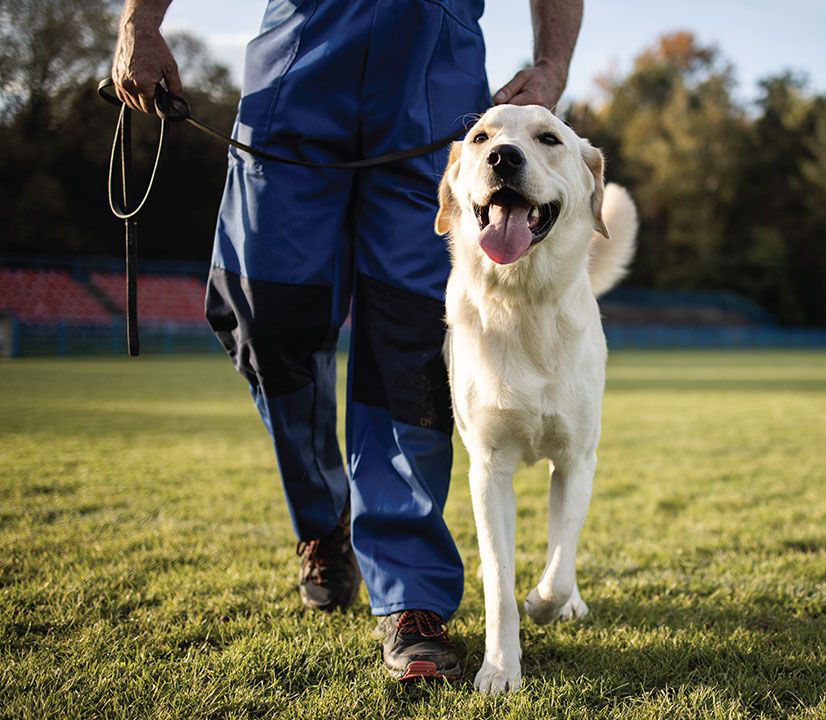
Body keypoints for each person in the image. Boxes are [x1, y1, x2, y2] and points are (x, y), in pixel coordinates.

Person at [111, 0, 582, 682]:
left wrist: (551, 64)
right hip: (300, 70)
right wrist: (137, 22)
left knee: (412, 346)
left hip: (432, 85)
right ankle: (323, 518)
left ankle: (411, 597)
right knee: (262, 314)